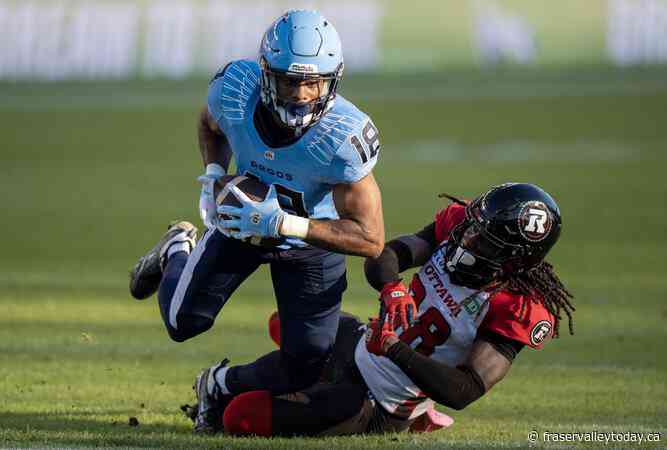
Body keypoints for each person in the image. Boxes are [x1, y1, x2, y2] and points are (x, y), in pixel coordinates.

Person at [128, 10, 385, 432]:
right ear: (267, 74)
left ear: (332, 80)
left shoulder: (343, 138)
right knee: (181, 322)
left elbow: (371, 239)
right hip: (241, 223)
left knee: (303, 366)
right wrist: (212, 175)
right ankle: (177, 246)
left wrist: (284, 225)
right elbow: (210, 125)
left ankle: (219, 385)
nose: (302, 94)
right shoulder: (234, 89)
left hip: (308, 243)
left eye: (313, 81)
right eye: (290, 80)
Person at [184, 183, 575, 436]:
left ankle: (271, 387)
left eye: (484, 240)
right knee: (293, 329)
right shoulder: (456, 226)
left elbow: (465, 389)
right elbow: (383, 256)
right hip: (361, 344)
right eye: (474, 225)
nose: (468, 236)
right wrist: (392, 287)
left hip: (378, 401)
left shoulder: (519, 306)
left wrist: (395, 349)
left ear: (512, 260)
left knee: (241, 418)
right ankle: (217, 382)